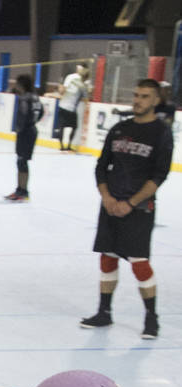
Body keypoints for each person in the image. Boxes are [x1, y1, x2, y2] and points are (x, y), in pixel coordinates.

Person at [80, 79, 173, 340]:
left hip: (139, 208)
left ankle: (151, 319)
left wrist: (130, 203)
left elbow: (159, 176)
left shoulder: (161, 133)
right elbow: (101, 166)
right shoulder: (119, 128)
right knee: (107, 258)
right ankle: (104, 312)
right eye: (135, 95)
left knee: (139, 263)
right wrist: (107, 197)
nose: (138, 100)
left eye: (144, 96)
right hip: (110, 205)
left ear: (155, 100)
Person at [6, 74, 44, 202]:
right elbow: (41, 112)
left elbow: (23, 113)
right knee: (22, 161)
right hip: (31, 130)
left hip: (25, 132)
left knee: (22, 161)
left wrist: (19, 128)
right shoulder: (35, 97)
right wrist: (33, 122)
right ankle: (20, 190)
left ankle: (23, 191)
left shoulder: (24, 98)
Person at [55, 65, 90, 151]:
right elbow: (86, 99)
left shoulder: (73, 80)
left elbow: (65, 90)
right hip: (71, 109)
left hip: (62, 105)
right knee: (74, 127)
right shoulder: (83, 86)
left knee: (61, 127)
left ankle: (61, 146)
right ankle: (69, 145)